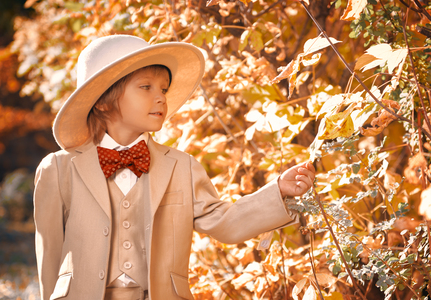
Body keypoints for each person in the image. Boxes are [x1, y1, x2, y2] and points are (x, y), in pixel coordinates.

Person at [33, 35, 315, 300]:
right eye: (146, 87)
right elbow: (50, 256)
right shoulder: (58, 169)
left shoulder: (182, 166)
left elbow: (224, 222)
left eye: (163, 89)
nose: (161, 98)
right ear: (104, 102)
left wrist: (278, 190)